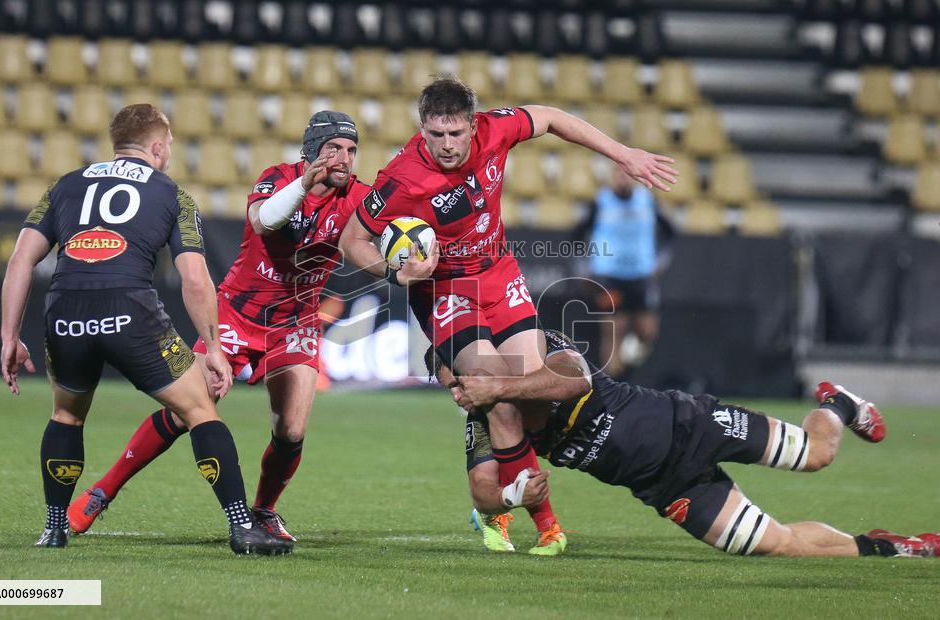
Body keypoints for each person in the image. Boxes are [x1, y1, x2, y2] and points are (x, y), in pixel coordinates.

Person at [339, 75, 678, 555]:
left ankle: (487, 485)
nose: (447, 146)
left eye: (456, 134)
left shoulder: (496, 130)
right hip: (447, 291)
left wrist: (621, 153)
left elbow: (554, 117)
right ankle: (548, 527)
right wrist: (396, 276)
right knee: (500, 395)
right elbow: (351, 238)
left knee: (531, 390)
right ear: (422, 128)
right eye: (435, 135)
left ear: (473, 125)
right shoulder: (401, 179)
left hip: (500, 274)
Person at [67, 111, 371, 544]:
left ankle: (264, 511)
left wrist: (401, 262)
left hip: (295, 322)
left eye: (352, 150)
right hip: (236, 315)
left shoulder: (359, 196)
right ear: (311, 152)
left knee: (292, 430)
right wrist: (305, 183)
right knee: (185, 409)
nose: (344, 158)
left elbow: (370, 240)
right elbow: (265, 220)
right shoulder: (278, 178)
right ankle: (103, 491)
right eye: (334, 149)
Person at [0, 104, 290, 555]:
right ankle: (241, 527)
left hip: (65, 309)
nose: (169, 154)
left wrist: (8, 336)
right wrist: (213, 346)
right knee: (199, 411)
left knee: (67, 416)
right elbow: (195, 278)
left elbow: (21, 260)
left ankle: (54, 528)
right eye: (169, 146)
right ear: (157, 146)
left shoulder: (65, 185)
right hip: (129, 310)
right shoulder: (172, 194)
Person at [430, 329, 938, 558]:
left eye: (459, 377)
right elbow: (481, 489)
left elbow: (574, 382)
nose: (458, 391)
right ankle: (889, 548)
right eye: (448, 384)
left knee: (817, 454)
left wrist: (499, 389)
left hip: (689, 423)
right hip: (664, 485)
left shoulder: (529, 347)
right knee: (776, 545)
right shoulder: (487, 419)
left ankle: (839, 404)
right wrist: (515, 498)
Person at [578, 165, 675, 377]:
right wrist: (583, 267)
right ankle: (611, 390)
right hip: (609, 275)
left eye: (628, 176)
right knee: (614, 332)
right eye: (619, 175)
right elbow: (577, 234)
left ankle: (627, 362)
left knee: (648, 332)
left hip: (641, 276)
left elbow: (670, 233)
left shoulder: (647, 201)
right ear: (613, 177)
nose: (623, 180)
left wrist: (661, 262)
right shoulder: (601, 202)